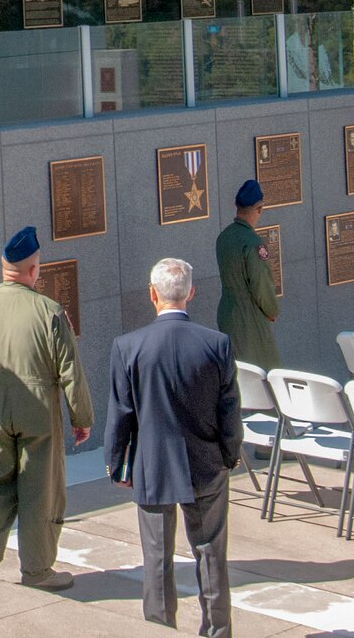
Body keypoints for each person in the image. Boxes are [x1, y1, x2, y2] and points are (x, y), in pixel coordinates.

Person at [106, 257, 239, 638]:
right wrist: (228, 457)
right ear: (191, 293)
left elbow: (121, 413)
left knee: (157, 557)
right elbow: (230, 410)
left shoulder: (128, 347)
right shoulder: (217, 344)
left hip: (153, 464)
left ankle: (161, 629)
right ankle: (217, 631)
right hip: (206, 463)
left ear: (152, 295)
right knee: (211, 553)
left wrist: (118, 465)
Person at [0, 225, 93, 590]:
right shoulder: (49, 311)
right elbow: (70, 371)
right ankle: (36, 571)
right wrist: (81, 418)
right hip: (38, 413)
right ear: (34, 269)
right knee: (40, 492)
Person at [215, 178, 280, 370]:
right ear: (259, 208)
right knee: (263, 371)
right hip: (249, 317)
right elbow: (260, 284)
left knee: (237, 371)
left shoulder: (224, 237)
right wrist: (272, 310)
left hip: (228, 311)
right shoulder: (253, 243)